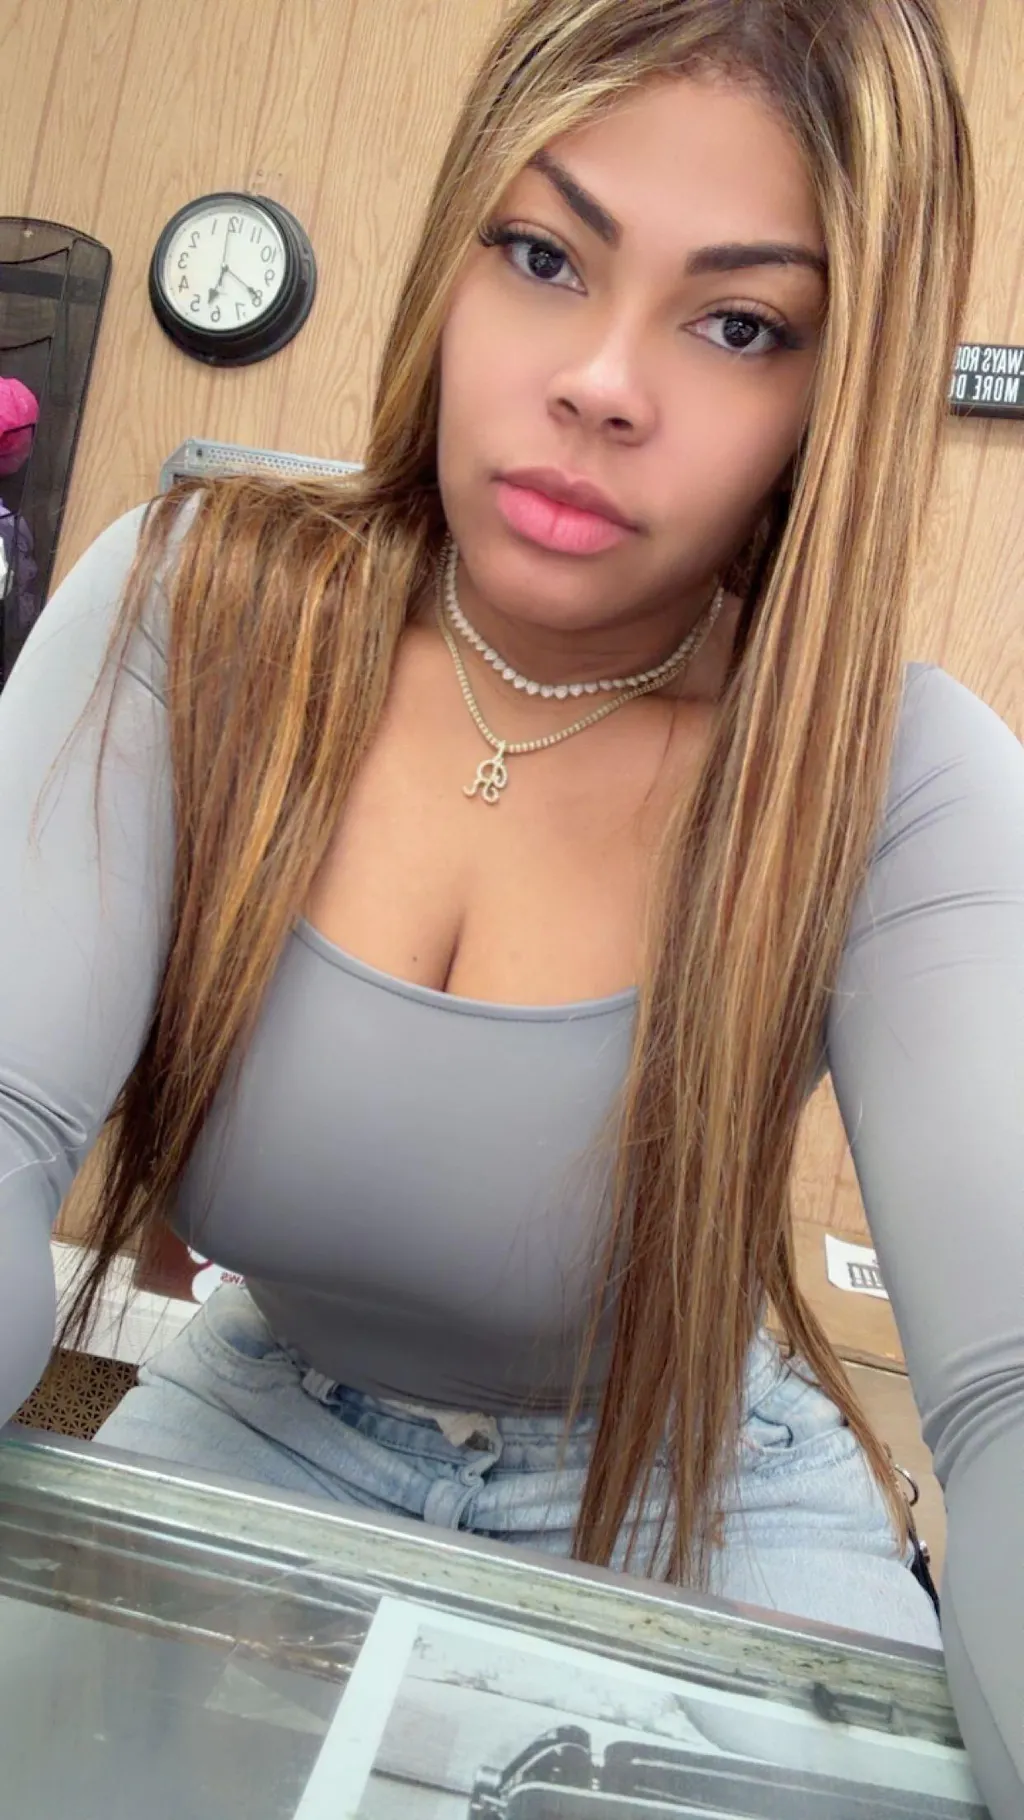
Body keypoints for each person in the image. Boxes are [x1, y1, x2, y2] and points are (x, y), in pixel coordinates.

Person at [0, 2, 1020, 1812]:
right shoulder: (195, 606)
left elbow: (1008, 1392)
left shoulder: (894, 775)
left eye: (740, 323)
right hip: (265, 1413)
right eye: (545, 254)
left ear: (835, 391)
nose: (603, 381)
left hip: (691, 1478)